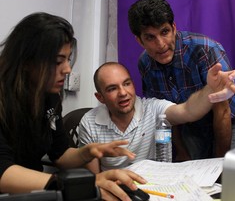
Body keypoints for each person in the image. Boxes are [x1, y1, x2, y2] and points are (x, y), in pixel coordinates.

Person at [0, 12, 147, 201]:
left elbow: (60, 154)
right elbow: (3, 172)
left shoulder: (49, 97)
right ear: (27, 61)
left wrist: (86, 153)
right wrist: (77, 185)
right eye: (57, 61)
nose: (68, 69)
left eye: (68, 59)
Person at [127, 0, 235, 160]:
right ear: (139, 41)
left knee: (228, 175)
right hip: (190, 124)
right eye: (150, 37)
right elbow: (165, 113)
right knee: (190, 174)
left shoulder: (205, 49)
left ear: (174, 28)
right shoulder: (145, 64)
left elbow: (223, 111)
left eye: (165, 32)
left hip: (230, 118)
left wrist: (220, 164)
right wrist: (182, 153)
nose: (161, 44)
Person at [78, 61, 235, 173]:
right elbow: (94, 180)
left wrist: (210, 89)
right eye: (112, 88)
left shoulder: (153, 108)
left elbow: (189, 110)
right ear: (100, 97)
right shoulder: (89, 122)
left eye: (127, 83)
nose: (123, 93)